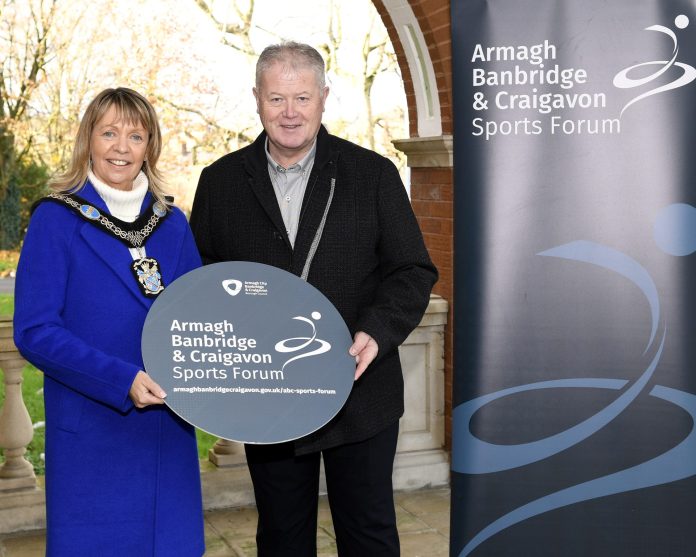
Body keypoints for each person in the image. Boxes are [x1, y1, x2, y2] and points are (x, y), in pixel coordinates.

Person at [189, 42, 437, 556]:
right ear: (256, 98)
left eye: (301, 97)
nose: (289, 113)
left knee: (367, 535)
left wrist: (377, 331)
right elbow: (203, 281)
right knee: (281, 537)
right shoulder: (221, 182)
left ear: (324, 97)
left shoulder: (372, 175)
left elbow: (412, 270)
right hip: (270, 396)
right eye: (277, 98)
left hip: (359, 389)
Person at [13, 87, 205, 556]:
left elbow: (200, 318)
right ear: (88, 141)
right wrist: (122, 380)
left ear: (149, 146)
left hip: (166, 433)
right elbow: (35, 331)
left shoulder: (173, 222)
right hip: (93, 429)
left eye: (136, 135)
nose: (122, 147)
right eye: (109, 133)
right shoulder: (55, 219)